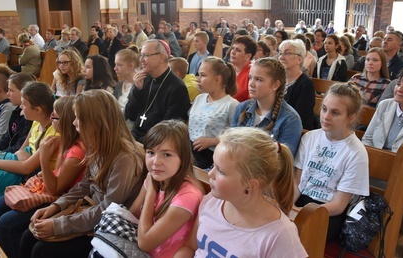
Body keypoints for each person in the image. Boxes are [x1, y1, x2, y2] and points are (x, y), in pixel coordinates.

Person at [19, 90, 144, 257]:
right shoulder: (96, 144)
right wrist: (56, 207)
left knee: (41, 250)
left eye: (78, 118)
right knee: (28, 236)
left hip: (107, 224)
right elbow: (85, 185)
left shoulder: (125, 158)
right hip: (91, 211)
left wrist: (59, 224)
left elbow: (108, 209)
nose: (74, 123)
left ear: (96, 122)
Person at [176, 127, 307, 257]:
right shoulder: (212, 200)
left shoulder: (279, 234)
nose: (210, 173)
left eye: (221, 171)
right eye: (213, 165)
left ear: (250, 185)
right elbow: (189, 247)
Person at [0, 96, 86, 258]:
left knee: (7, 223)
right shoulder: (64, 141)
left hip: (64, 200)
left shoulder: (76, 151)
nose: (51, 119)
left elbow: (55, 189)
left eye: (55, 116)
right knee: (1, 203)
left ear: (66, 121)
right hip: (55, 193)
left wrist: (43, 158)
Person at [0, 82, 56, 228]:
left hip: (32, 179)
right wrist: (22, 158)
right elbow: (21, 151)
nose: (20, 107)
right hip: (22, 171)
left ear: (38, 109)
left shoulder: (53, 133)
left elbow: (26, 167)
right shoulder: (36, 123)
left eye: (24, 104)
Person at [294, 82, 369, 241]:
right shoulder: (310, 138)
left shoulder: (356, 152)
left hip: (328, 212)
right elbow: (297, 182)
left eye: (335, 113)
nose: (326, 117)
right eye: (324, 109)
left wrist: (302, 215)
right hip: (302, 201)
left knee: (293, 236)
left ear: (351, 117)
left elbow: (340, 204)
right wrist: (288, 207)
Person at [126, 120, 204, 257]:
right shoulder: (157, 178)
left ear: (183, 158)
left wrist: (150, 193)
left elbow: (145, 243)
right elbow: (132, 215)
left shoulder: (188, 196)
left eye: (167, 154)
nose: (156, 162)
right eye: (151, 152)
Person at [232, 58, 302, 156]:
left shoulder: (290, 119)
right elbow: (230, 145)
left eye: (258, 80)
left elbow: (283, 162)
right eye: (250, 77)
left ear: (275, 85)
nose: (251, 84)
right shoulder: (242, 108)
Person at [125, 39, 190, 142]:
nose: (141, 60)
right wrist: (138, 90)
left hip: (156, 143)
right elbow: (130, 115)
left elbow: (169, 130)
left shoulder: (177, 87)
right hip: (135, 137)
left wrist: (140, 143)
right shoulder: (143, 79)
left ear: (161, 57)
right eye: (141, 55)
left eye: (146, 55)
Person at [189, 56, 238, 169]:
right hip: (191, 152)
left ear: (217, 79)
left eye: (203, 75)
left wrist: (213, 141)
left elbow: (236, 138)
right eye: (198, 74)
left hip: (212, 157)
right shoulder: (199, 98)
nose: (198, 79)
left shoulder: (231, 104)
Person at [279, 39, 316, 130]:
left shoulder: (306, 84)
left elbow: (300, 118)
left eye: (287, 53)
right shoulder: (277, 80)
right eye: (280, 53)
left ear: (299, 59)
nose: (281, 57)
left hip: (296, 130)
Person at [230, 35, 257, 102]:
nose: (233, 52)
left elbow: (251, 103)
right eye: (233, 48)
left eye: (238, 50)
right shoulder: (229, 69)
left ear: (248, 56)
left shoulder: (252, 73)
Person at [113, 48, 139, 113]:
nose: (115, 68)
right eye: (115, 64)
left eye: (119, 65)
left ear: (131, 66)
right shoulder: (119, 85)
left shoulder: (139, 85)